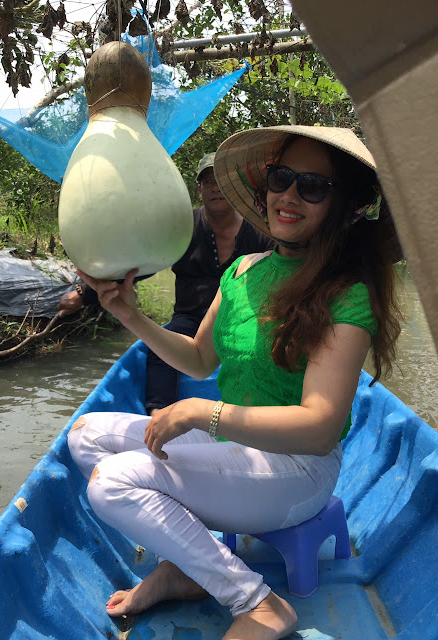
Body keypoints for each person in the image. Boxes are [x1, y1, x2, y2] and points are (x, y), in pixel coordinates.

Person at [67, 125, 402, 640]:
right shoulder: (244, 269)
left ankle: (257, 603)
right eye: (281, 178)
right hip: (237, 449)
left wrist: (202, 413)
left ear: (342, 205)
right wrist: (129, 313)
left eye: (313, 186)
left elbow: (320, 428)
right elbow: (199, 360)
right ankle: (186, 568)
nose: (289, 195)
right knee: (84, 435)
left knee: (112, 482)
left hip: (299, 470)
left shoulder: (345, 292)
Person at [57, 152, 274, 414]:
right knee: (161, 349)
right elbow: (141, 265)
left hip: (241, 320)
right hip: (190, 319)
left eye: (221, 181)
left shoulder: (259, 231)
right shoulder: (182, 230)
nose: (215, 188)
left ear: (234, 188)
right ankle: (158, 413)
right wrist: (83, 294)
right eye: (207, 182)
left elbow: (284, 270)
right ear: (199, 190)